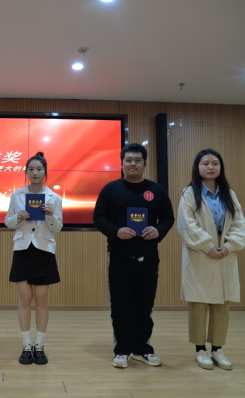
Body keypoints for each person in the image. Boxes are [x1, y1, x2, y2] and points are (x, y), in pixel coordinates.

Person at [93, 143, 175, 369]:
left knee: (144, 305)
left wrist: (158, 231)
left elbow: (168, 218)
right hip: (119, 256)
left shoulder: (156, 190)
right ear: (121, 163)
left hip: (148, 257)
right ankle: (122, 349)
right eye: (128, 160)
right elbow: (99, 217)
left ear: (144, 164)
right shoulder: (111, 189)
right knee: (121, 305)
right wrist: (116, 231)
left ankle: (142, 348)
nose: (133, 164)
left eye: (137, 160)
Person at [177, 149, 245, 371]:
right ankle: (200, 349)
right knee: (198, 305)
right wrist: (208, 247)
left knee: (222, 306)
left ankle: (217, 349)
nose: (210, 167)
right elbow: (187, 225)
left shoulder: (229, 194)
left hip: (225, 255)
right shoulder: (189, 193)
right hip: (200, 254)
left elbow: (239, 224)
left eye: (215, 163)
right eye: (205, 163)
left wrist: (228, 246)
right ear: (197, 167)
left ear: (220, 167)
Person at [5, 152, 63, 365]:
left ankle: (39, 345)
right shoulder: (17, 195)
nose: (35, 172)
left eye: (39, 169)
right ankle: (26, 345)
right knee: (24, 300)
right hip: (23, 249)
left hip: (43, 250)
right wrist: (18, 217)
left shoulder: (54, 198)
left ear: (45, 172)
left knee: (41, 300)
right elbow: (8, 222)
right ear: (26, 172)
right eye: (31, 169)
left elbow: (57, 227)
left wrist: (50, 215)